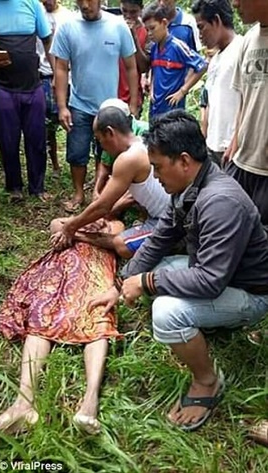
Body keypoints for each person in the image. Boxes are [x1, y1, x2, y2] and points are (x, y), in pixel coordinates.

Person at [89, 110, 268, 431]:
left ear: (184, 161)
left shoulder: (220, 202)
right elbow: (160, 239)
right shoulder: (191, 185)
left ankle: (207, 382)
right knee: (157, 265)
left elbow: (210, 281)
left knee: (166, 311)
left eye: (157, 167)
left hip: (251, 294)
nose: (154, 176)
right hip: (219, 275)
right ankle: (207, 325)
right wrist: (119, 285)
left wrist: (146, 281)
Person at [0, 219, 125, 434]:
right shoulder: (74, 217)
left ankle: (89, 404)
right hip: (61, 270)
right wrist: (77, 226)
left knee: (98, 320)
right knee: (41, 319)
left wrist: (73, 232)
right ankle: (23, 404)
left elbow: (114, 242)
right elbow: (55, 226)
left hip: (95, 270)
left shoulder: (116, 224)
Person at [51, 0, 139, 212]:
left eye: (90, 0)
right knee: (77, 151)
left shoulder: (117, 26)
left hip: (110, 107)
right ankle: (79, 193)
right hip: (79, 104)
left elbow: (131, 67)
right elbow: (61, 68)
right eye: (80, 1)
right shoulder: (67, 27)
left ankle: (106, 195)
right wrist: (62, 106)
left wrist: (133, 102)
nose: (85, 5)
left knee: (110, 153)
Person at [51, 106, 169, 258]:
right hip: (158, 215)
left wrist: (71, 228)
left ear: (109, 133)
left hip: (166, 222)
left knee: (121, 245)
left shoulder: (129, 158)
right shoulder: (142, 144)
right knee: (58, 224)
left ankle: (79, 236)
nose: (102, 147)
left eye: (100, 140)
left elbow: (103, 206)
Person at [0, 0, 53, 202]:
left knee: (37, 138)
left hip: (32, 85)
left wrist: (55, 75)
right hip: (1, 86)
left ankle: (37, 187)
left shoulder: (32, 4)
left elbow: (47, 41)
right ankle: (14, 188)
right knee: (7, 140)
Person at [223, 0, 268, 227]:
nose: (235, 3)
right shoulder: (249, 40)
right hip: (243, 161)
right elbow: (245, 98)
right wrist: (235, 140)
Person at [192, 0, 243, 166]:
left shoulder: (242, 49)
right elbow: (209, 101)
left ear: (216, 21)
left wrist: (235, 140)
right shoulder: (215, 59)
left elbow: (248, 99)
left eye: (201, 27)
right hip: (213, 145)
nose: (200, 35)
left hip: (233, 147)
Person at [142, 2, 207, 121]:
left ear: (164, 23)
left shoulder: (178, 46)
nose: (150, 33)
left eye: (152, 28)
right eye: (147, 29)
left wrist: (182, 91)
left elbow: (202, 65)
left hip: (173, 111)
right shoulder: (154, 48)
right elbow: (154, 69)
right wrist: (152, 87)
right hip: (155, 109)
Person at [37, 0, 75, 176]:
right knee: (47, 124)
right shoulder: (36, 13)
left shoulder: (68, 17)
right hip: (43, 75)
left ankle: (73, 162)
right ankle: (55, 165)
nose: (46, 2)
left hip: (68, 76)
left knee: (72, 121)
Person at [94, 98, 149, 199]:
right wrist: (96, 190)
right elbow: (104, 164)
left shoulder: (146, 134)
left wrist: (110, 206)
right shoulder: (112, 139)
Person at [119, 0, 149, 114]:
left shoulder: (147, 30)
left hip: (132, 96)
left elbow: (144, 67)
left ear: (141, 10)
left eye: (133, 12)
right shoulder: (112, 26)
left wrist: (134, 37)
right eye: (124, 11)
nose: (128, 16)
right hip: (110, 94)